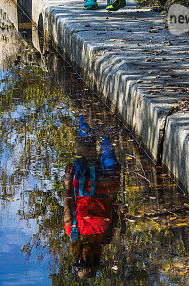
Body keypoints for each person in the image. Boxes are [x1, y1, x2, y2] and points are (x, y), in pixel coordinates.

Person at [62, 115, 125, 279]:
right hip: (109, 181)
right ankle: (108, 111)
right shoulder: (107, 237)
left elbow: (68, 204)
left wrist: (67, 182)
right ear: (96, 259)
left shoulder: (72, 232)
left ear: (78, 257)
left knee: (86, 137)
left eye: (83, 260)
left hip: (83, 178)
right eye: (89, 261)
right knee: (108, 143)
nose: (86, 257)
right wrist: (121, 211)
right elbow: (116, 214)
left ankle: (85, 104)